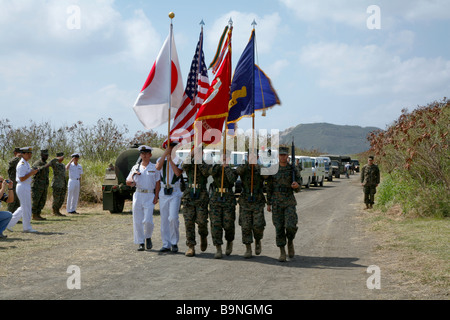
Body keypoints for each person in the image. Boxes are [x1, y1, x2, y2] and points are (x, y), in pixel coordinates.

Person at [266, 145, 301, 262]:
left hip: (289, 201)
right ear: (278, 156)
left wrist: (296, 186)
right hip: (276, 202)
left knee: (291, 226)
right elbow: (269, 187)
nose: (282, 157)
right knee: (279, 228)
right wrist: (269, 203)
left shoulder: (293, 169)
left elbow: (299, 186)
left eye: (284, 155)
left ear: (288, 156)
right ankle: (282, 251)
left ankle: (290, 241)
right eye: (281, 155)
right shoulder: (273, 169)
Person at [126, 145, 160, 251]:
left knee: (148, 220)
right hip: (138, 194)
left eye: (146, 154)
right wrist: (133, 177)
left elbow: (158, 183)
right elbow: (128, 182)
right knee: (137, 220)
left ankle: (148, 236)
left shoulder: (154, 167)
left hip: (149, 195)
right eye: (142, 154)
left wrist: (156, 196)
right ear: (140, 155)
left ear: (150, 155)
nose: (144, 156)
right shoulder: (135, 167)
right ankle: (140, 242)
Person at [236, 151, 267, 258]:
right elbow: (237, 172)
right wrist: (247, 164)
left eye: (254, 156)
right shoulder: (244, 167)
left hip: (258, 200)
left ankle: (258, 240)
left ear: (257, 156)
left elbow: (266, 176)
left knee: (258, 225)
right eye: (250, 156)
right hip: (245, 200)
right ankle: (248, 248)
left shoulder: (260, 167)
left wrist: (256, 166)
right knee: (245, 226)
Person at [181, 149, 210, 257]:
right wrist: (190, 155)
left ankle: (203, 236)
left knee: (202, 221)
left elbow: (206, 173)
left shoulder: (205, 164)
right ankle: (191, 246)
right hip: (189, 195)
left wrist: (199, 161)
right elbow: (183, 167)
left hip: (201, 195)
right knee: (189, 222)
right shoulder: (189, 163)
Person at [208, 151, 237, 259]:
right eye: (222, 157)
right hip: (216, 198)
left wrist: (227, 168)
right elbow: (211, 172)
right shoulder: (215, 167)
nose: (224, 159)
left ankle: (229, 241)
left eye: (226, 157)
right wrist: (220, 165)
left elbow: (232, 180)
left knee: (228, 224)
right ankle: (218, 248)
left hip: (228, 197)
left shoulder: (232, 170)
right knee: (216, 224)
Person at [155, 143, 183, 253]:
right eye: (169, 147)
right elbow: (158, 167)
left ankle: (174, 242)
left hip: (175, 191)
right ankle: (166, 243)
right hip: (163, 191)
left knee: (173, 218)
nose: (171, 149)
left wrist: (171, 160)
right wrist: (165, 156)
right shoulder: (160, 159)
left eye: (173, 147)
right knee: (164, 219)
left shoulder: (179, 160)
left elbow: (177, 173)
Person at [7, 147, 39, 233]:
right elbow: (21, 178)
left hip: (25, 186)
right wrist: (31, 173)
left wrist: (32, 173)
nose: (30, 155)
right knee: (26, 207)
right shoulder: (21, 164)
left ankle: (9, 223)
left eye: (30, 153)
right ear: (23, 154)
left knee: (24, 207)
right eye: (28, 153)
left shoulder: (26, 163)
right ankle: (27, 227)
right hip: (22, 186)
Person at [31, 149, 53, 221]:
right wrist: (46, 166)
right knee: (36, 201)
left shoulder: (45, 163)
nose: (46, 156)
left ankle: (38, 214)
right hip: (37, 185)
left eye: (47, 155)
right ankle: (34, 215)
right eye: (45, 155)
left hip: (44, 186)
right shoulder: (37, 163)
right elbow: (35, 170)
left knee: (42, 201)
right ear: (41, 155)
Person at [7, 147, 21, 213]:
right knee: (12, 200)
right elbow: (10, 163)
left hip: (18, 183)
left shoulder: (20, 162)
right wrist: (17, 157)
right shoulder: (14, 160)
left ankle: (15, 217)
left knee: (17, 201)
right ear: (15, 153)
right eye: (19, 153)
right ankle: (9, 216)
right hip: (12, 184)